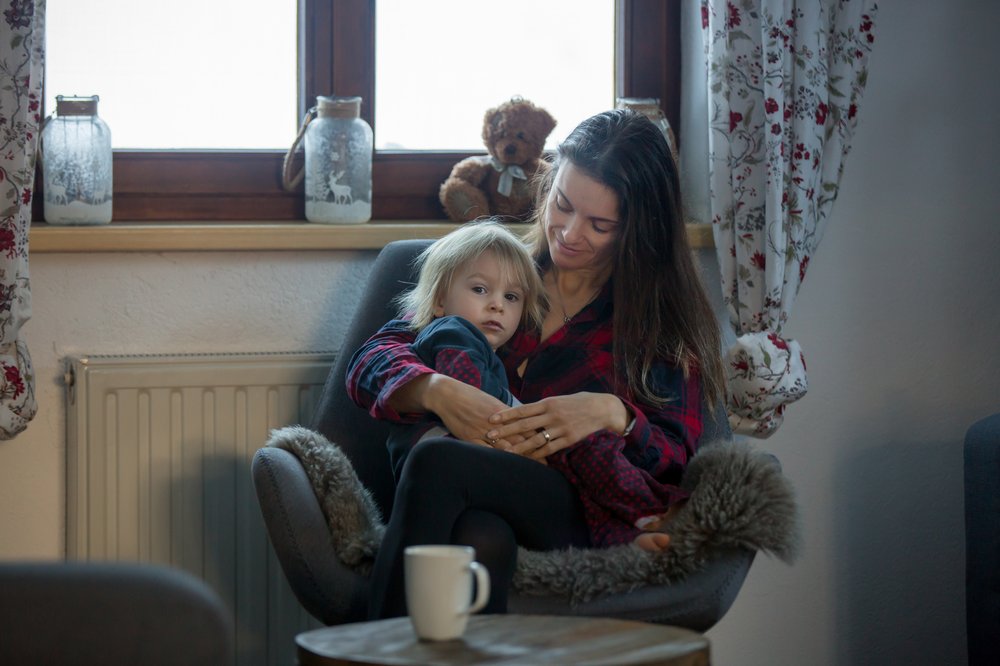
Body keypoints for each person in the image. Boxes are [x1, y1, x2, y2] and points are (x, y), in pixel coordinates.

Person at [346, 109, 726, 618]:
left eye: (600, 225)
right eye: (563, 205)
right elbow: (374, 357)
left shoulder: (659, 328)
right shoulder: (501, 274)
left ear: (639, 228)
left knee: (436, 459)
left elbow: (676, 457)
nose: (568, 233)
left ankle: (372, 651)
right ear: (549, 186)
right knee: (479, 535)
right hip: (474, 505)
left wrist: (615, 413)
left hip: (572, 505)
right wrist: (437, 389)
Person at [380, 219, 546, 481]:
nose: (497, 305)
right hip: (433, 455)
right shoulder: (452, 331)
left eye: (511, 297)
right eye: (480, 289)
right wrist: (525, 421)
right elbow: (471, 385)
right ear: (440, 301)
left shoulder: (488, 352)